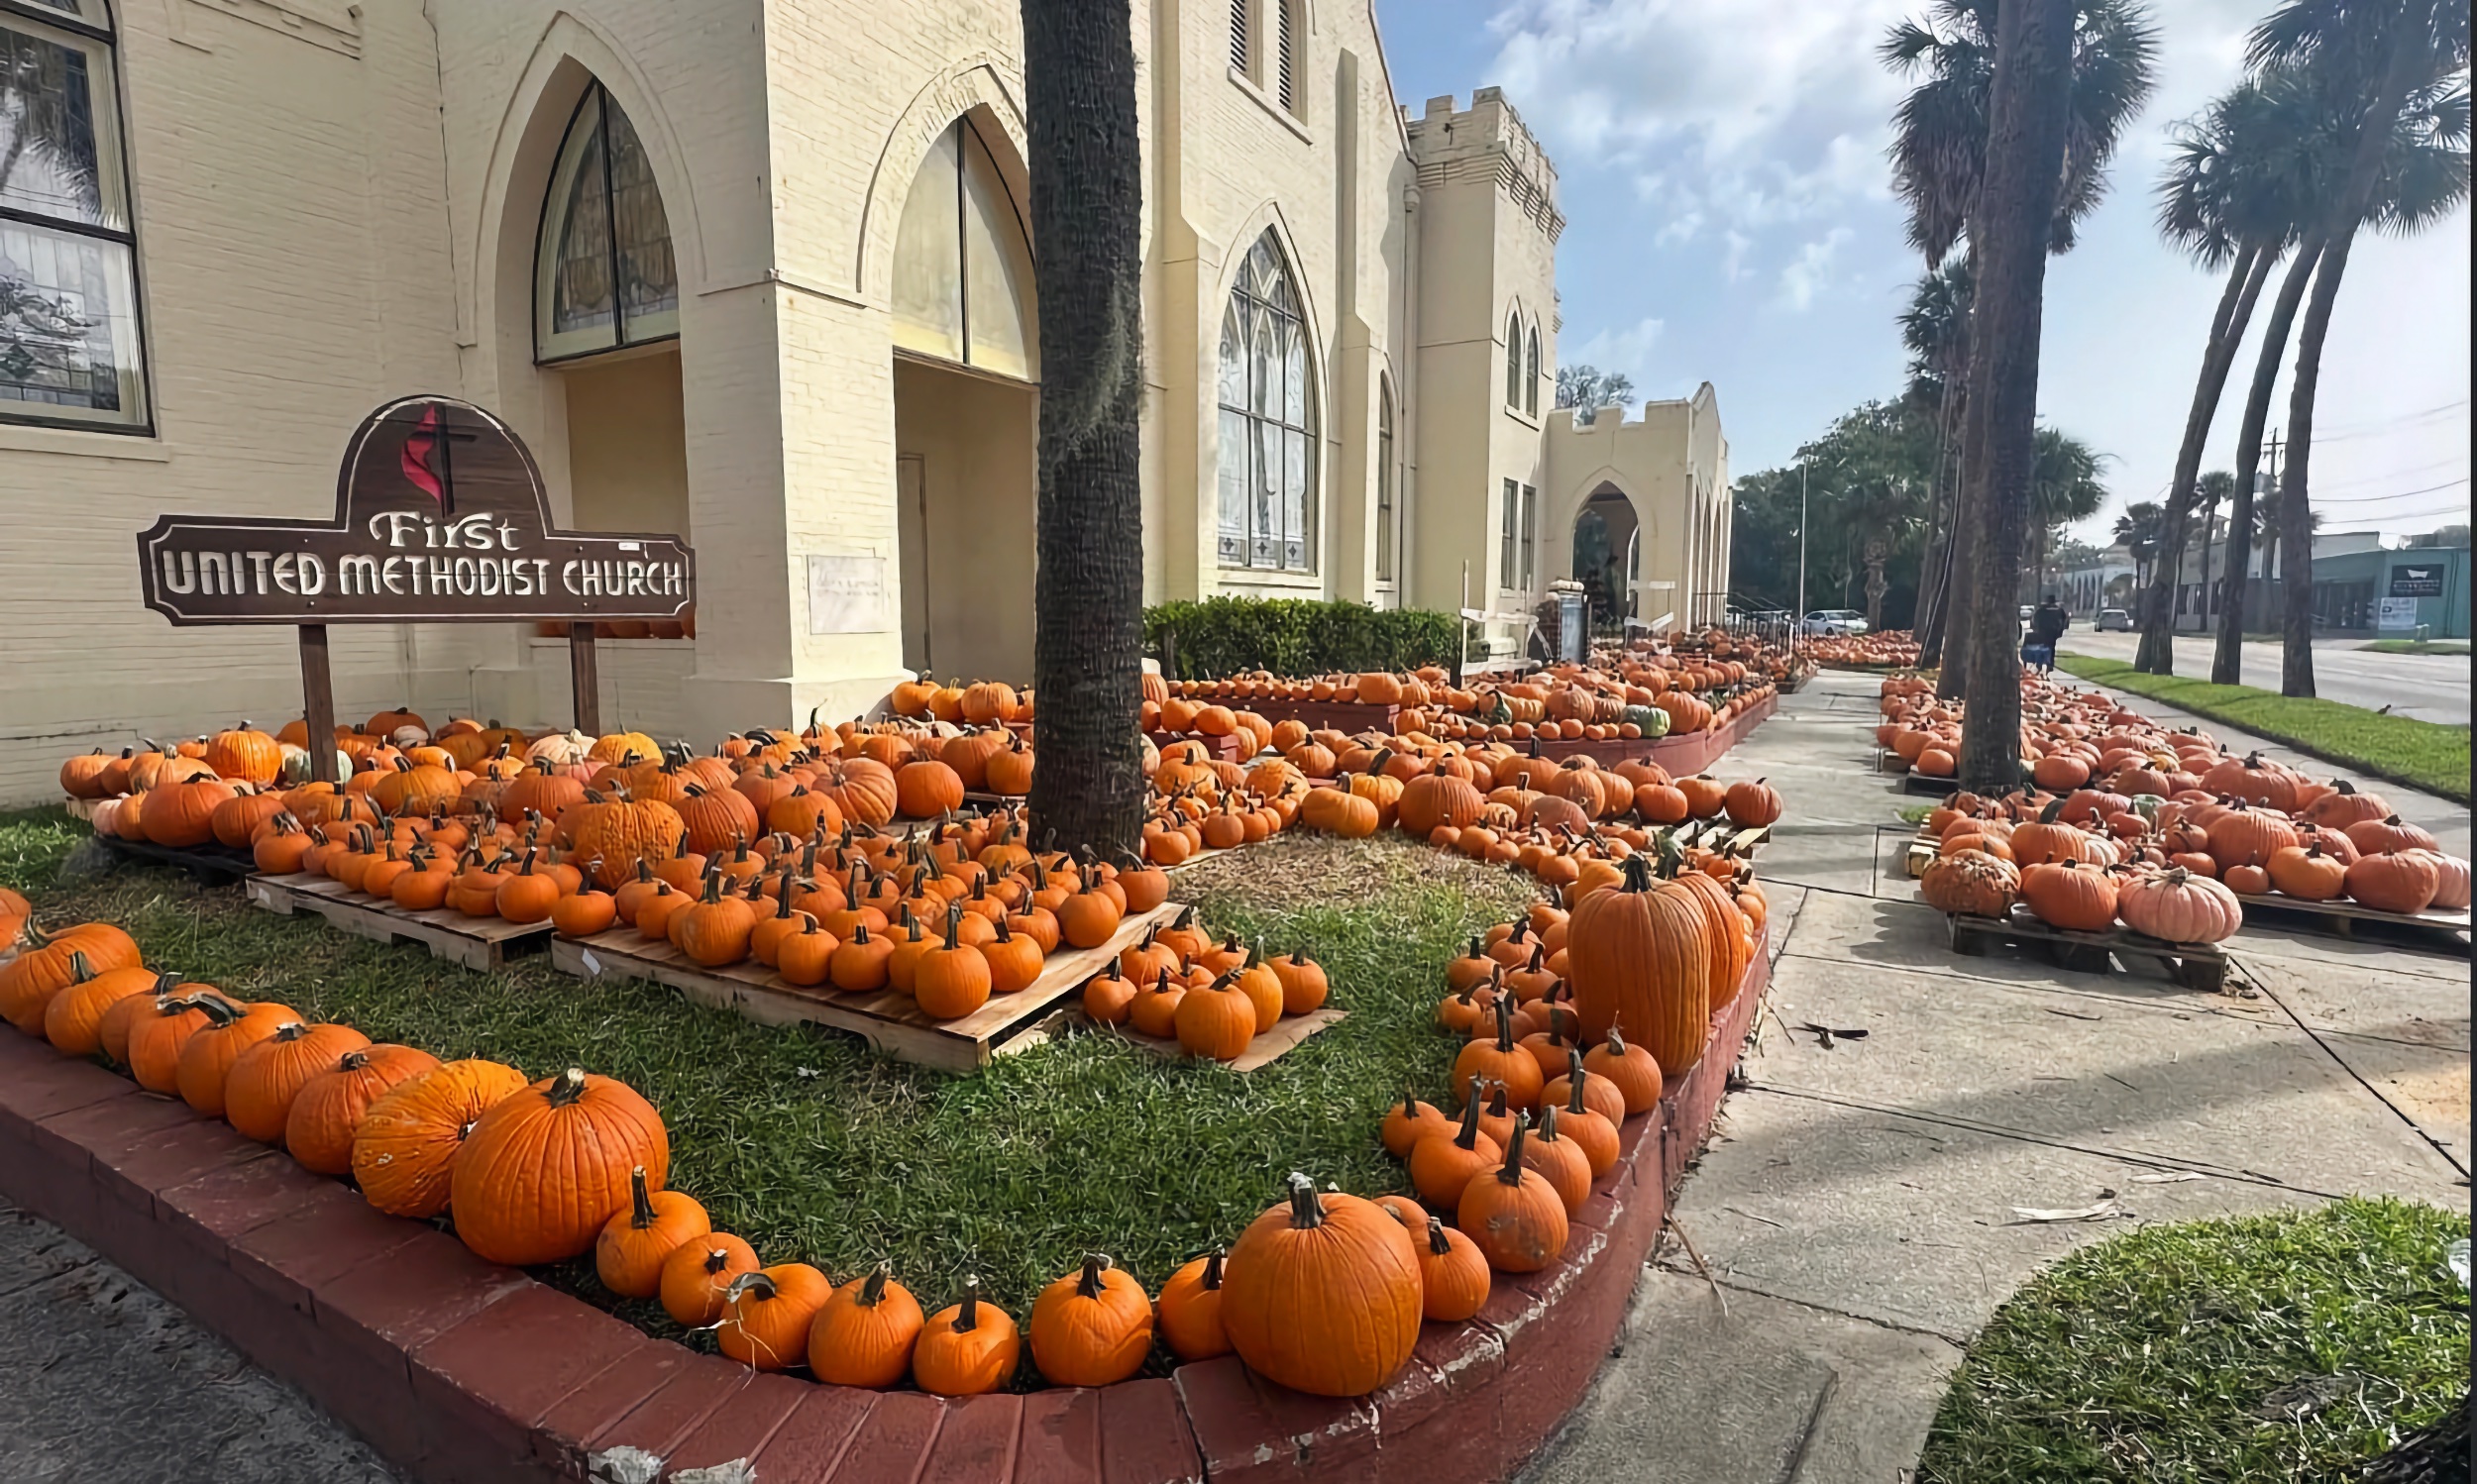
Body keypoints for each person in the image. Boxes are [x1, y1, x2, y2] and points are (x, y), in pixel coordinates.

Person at [2023, 594, 2067, 673]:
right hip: (2053, 632)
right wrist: (2060, 630)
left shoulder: (2042, 610)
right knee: (2051, 648)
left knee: (2042, 648)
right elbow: (2064, 620)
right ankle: (2049, 665)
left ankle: (2040, 664)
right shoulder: (2058, 610)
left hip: (2043, 631)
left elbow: (2035, 619)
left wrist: (2036, 627)